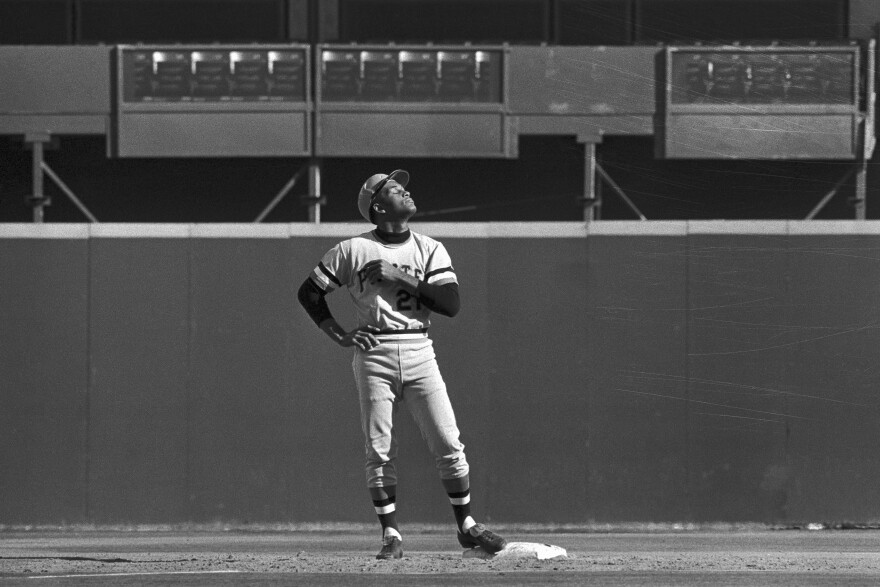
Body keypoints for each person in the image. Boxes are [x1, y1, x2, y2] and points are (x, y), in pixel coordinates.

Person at [297, 169, 508, 560]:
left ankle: (466, 526)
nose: (406, 192)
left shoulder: (430, 248)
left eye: (404, 187)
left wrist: (399, 276)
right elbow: (309, 293)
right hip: (374, 350)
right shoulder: (351, 250)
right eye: (395, 189)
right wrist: (339, 334)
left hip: (418, 348)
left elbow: (450, 305)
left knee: (449, 443)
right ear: (378, 206)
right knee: (379, 450)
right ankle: (391, 534)